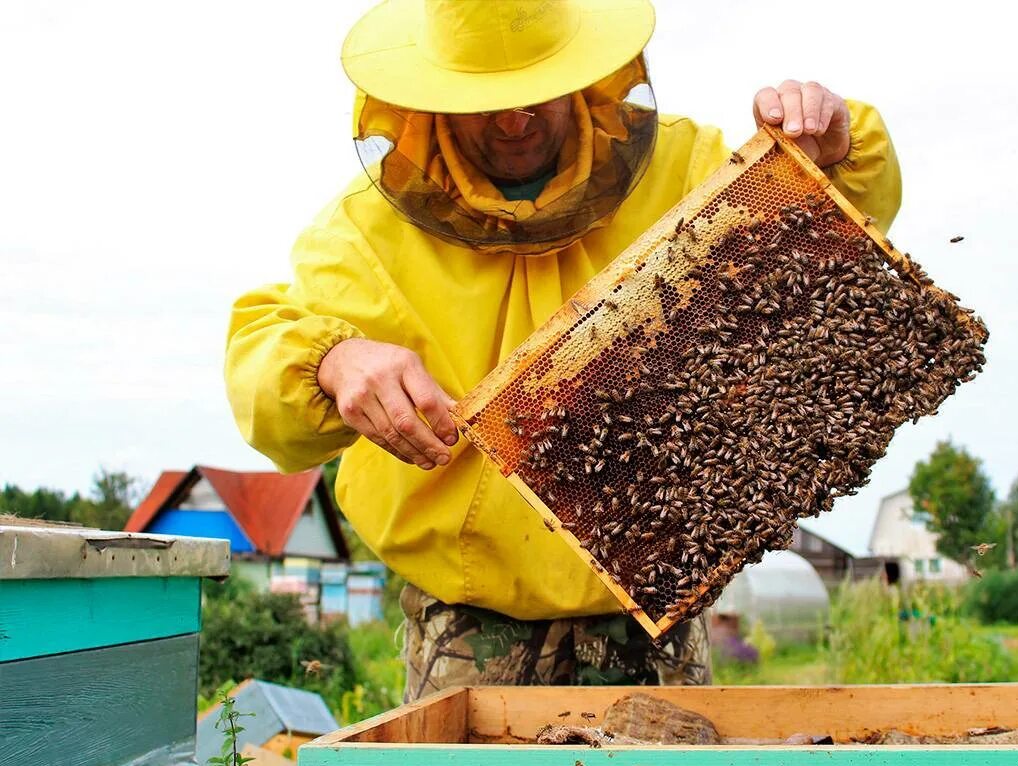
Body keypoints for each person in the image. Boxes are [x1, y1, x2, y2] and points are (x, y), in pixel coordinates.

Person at [225, 0, 901, 701]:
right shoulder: (362, 234)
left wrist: (833, 154)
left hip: (660, 616)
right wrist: (332, 362)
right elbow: (263, 372)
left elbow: (826, 238)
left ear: (583, 68)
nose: (514, 122)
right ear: (430, 96)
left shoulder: (688, 170)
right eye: (484, 102)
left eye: (534, 92)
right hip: (468, 628)